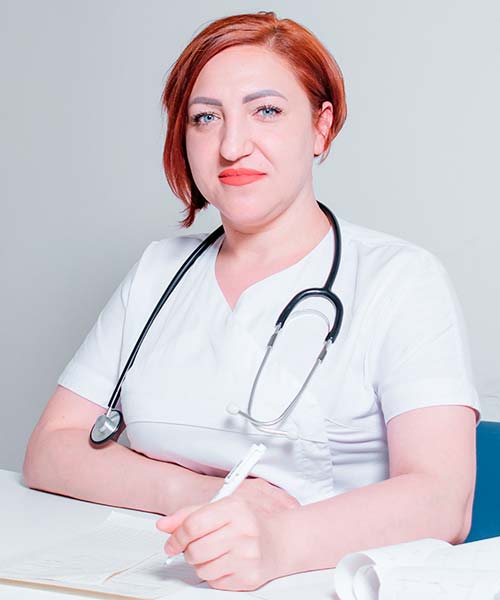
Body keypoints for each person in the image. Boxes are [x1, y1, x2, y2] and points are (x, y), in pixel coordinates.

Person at [23, 11, 480, 592]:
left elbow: (443, 500)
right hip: (148, 575)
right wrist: (209, 494)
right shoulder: (159, 272)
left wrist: (277, 540)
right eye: (205, 117)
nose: (232, 146)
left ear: (321, 128)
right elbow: (50, 450)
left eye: (266, 111)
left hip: (316, 583)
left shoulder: (400, 279)